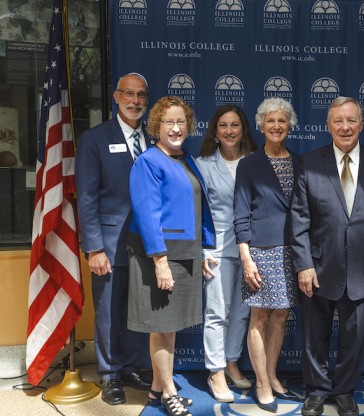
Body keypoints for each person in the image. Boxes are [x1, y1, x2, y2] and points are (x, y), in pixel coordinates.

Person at [291, 97, 364, 416]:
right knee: (314, 335)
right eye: (338, 121)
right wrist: (304, 265)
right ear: (328, 126)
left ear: (361, 125)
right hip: (319, 266)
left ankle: (345, 390)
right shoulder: (309, 162)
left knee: (354, 338)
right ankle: (317, 390)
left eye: (351, 120)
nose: (345, 127)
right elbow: (299, 218)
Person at [126, 96, 215, 416]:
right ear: (156, 127)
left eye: (181, 122)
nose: (176, 128)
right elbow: (147, 214)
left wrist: (201, 251)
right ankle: (169, 393)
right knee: (161, 327)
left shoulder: (185, 159)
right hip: (160, 258)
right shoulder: (148, 161)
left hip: (185, 254)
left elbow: (193, 210)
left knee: (171, 327)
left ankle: (156, 388)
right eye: (168, 122)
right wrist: (160, 262)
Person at [76, 72, 152, 405]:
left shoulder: (154, 138)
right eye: (129, 94)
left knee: (138, 310)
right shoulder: (95, 139)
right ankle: (109, 375)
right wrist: (93, 247)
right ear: (116, 97)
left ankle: (132, 365)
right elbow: (87, 196)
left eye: (141, 96)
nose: (135, 101)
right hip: (108, 244)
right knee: (108, 311)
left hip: (146, 245)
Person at [234, 97, 301, 413]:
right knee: (259, 316)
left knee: (282, 315)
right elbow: (241, 214)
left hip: (294, 251)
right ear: (261, 125)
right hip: (260, 251)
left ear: (290, 126)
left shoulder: (300, 162)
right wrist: (246, 258)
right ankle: (261, 382)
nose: (276, 126)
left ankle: (272, 376)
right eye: (270, 121)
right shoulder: (249, 164)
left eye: (282, 121)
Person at [195, 105, 256, 402]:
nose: (230, 131)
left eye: (235, 125)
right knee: (217, 312)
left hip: (250, 249)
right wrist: (200, 251)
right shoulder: (202, 164)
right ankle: (215, 370)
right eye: (223, 126)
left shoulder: (256, 162)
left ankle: (232, 362)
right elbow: (195, 212)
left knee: (242, 313)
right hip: (216, 247)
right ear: (215, 132)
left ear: (243, 129)